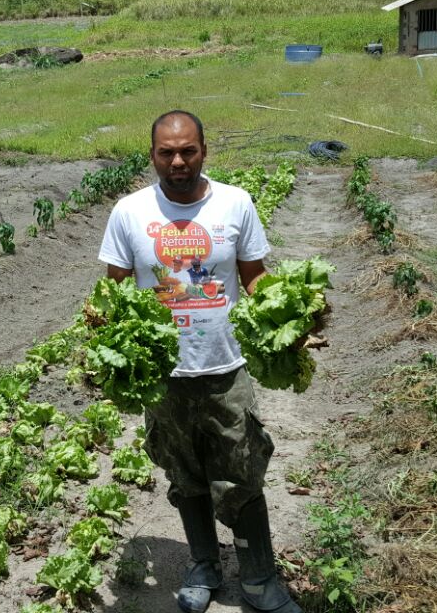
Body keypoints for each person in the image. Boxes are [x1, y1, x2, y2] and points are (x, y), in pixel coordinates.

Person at [97, 110, 301, 613]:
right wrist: (100, 331)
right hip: (165, 377)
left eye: (188, 150)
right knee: (183, 474)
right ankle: (203, 566)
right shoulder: (129, 212)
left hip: (225, 366)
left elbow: (254, 277)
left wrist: (294, 315)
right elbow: (113, 291)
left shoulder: (235, 203)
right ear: (152, 156)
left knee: (243, 471)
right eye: (167, 152)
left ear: (204, 151)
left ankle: (258, 578)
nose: (178, 161)